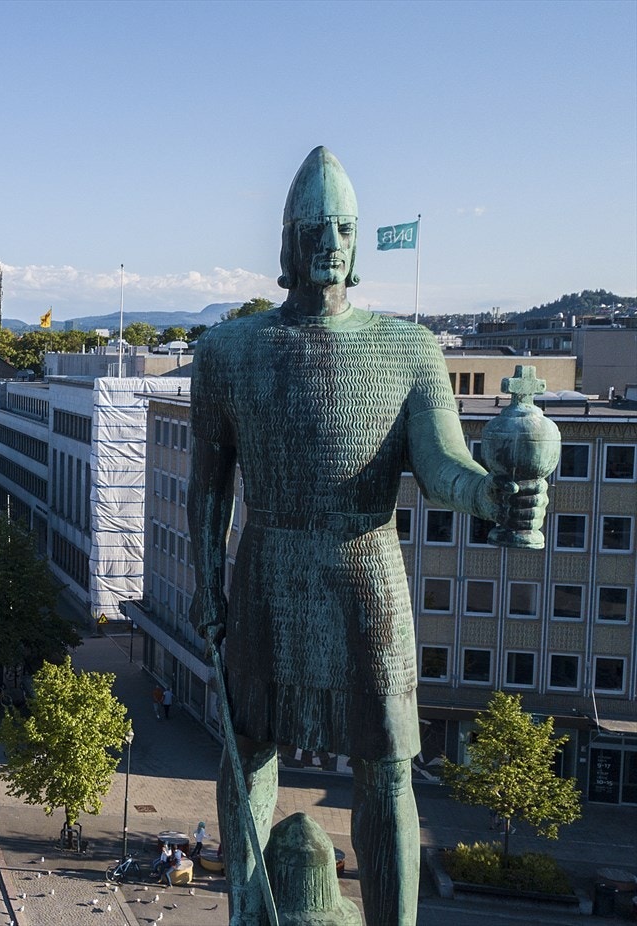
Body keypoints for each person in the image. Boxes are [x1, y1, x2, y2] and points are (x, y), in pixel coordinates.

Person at [190, 147, 546, 926]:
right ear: (288, 240)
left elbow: (443, 465)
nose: (331, 241)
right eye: (316, 226)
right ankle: (247, 909)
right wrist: (205, 589)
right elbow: (209, 487)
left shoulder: (410, 349)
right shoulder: (227, 352)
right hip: (269, 572)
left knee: (387, 766)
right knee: (248, 749)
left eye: (345, 227)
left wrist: (490, 494)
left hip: (367, 576)